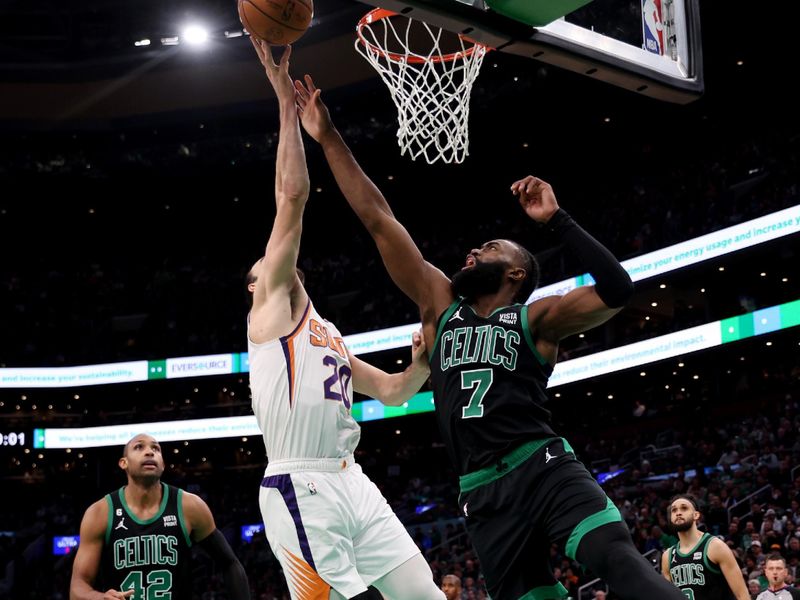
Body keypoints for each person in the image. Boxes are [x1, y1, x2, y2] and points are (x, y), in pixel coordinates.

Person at [293, 74, 685, 600]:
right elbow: (378, 218)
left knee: (614, 556)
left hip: (541, 465)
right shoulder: (440, 305)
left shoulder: (537, 319)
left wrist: (558, 220)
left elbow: (617, 289)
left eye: (490, 247)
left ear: (517, 274)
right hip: (480, 490)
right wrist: (328, 137)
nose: (474, 251)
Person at [245, 39, 443, 600]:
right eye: (264, 265)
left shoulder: (325, 333)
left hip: (350, 478)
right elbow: (293, 197)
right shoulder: (269, 315)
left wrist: (421, 364)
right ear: (256, 288)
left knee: (424, 594)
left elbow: (397, 392)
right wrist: (285, 98)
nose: (276, 260)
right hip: (298, 483)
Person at [70, 433, 250, 600]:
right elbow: (77, 587)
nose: (149, 452)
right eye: (139, 447)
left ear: (163, 464)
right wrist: (101, 598)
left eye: (155, 449)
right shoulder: (100, 513)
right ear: (123, 463)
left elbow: (230, 563)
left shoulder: (189, 506)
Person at [661, 494, 750, 600]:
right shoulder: (667, 556)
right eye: (674, 510)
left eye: (684, 508)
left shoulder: (715, 546)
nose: (678, 513)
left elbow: (742, 594)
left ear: (696, 515)